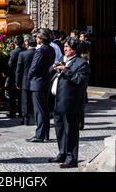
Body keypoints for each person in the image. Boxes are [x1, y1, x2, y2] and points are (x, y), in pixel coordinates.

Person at [49, 37, 90, 168]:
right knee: (59, 128)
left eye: (67, 47)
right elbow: (50, 73)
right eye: (64, 46)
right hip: (58, 100)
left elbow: (81, 81)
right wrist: (55, 68)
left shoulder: (81, 63)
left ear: (74, 49)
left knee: (70, 130)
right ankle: (62, 152)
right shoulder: (63, 60)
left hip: (71, 103)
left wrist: (65, 70)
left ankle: (71, 158)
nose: (65, 49)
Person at [27, 29, 55, 143]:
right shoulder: (51, 49)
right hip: (46, 81)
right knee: (45, 109)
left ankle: (39, 135)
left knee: (39, 110)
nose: (36, 39)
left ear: (42, 38)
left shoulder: (41, 50)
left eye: (38, 37)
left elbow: (34, 67)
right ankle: (45, 134)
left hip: (38, 82)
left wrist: (29, 76)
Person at [15, 34, 37, 126]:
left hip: (25, 81)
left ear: (27, 43)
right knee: (34, 101)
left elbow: (19, 70)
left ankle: (26, 119)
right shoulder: (38, 53)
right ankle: (34, 118)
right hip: (36, 80)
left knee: (25, 101)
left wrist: (17, 82)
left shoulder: (23, 54)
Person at [7, 34, 25, 119]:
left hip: (13, 75)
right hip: (23, 76)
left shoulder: (13, 52)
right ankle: (21, 112)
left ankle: (12, 112)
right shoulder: (25, 51)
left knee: (12, 96)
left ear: (15, 43)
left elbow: (10, 64)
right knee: (21, 95)